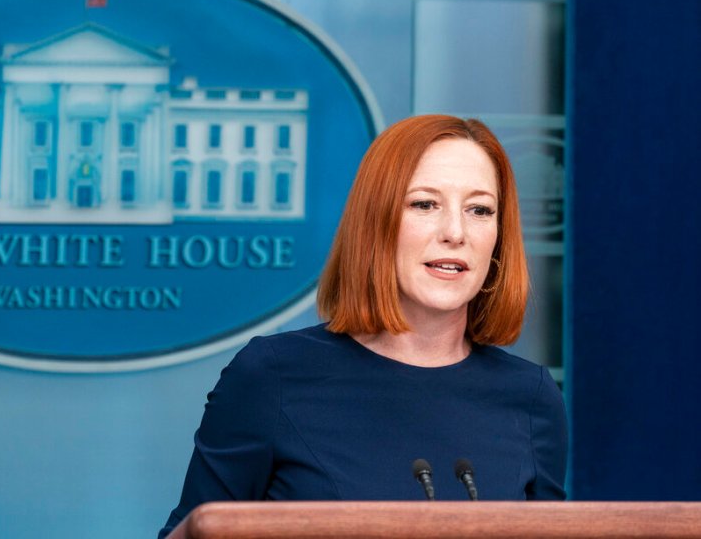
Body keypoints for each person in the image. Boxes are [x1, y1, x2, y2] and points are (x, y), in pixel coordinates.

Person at [158, 115, 567, 538]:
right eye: (425, 204)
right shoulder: (273, 376)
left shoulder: (531, 397)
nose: (455, 232)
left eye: (479, 210)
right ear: (376, 222)